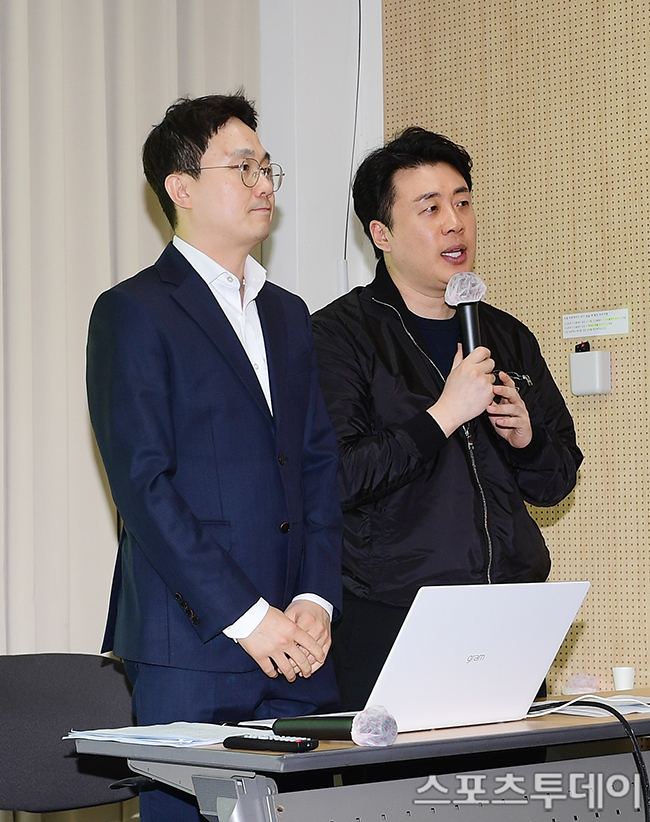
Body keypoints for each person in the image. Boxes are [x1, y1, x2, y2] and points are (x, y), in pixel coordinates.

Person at [86, 93, 342, 821]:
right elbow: (144, 486)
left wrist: (316, 598)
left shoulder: (288, 313)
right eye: (243, 167)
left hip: (300, 644)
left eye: (268, 168)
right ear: (182, 187)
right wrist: (248, 617)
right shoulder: (133, 310)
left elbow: (317, 464)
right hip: (192, 647)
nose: (264, 184)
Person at [312, 127, 583, 711]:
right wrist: (442, 416)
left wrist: (527, 440)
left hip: (509, 612)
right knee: (409, 775)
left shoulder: (506, 334)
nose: (455, 223)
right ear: (381, 234)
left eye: (462, 202)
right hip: (394, 614)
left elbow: (557, 480)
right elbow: (337, 477)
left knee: (517, 771)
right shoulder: (337, 336)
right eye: (430, 208)